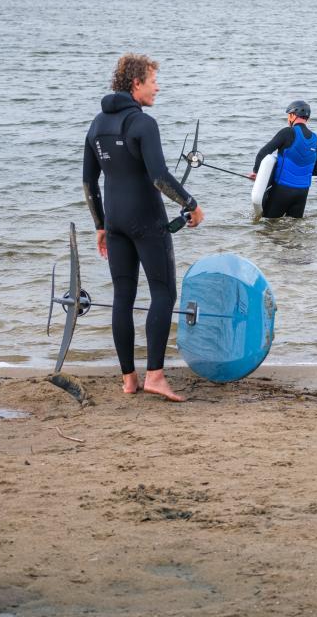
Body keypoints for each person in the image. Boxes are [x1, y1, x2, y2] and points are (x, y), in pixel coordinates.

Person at [83, 53, 204, 401]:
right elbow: (160, 177)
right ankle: (155, 376)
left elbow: (89, 182)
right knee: (163, 293)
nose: (157, 87)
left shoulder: (96, 124)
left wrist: (100, 225)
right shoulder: (143, 124)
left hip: (115, 222)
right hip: (146, 220)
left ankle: (128, 379)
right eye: (153, 81)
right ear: (136, 84)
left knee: (123, 296)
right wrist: (191, 205)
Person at [249, 100, 317, 218]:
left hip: (282, 191)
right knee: (293, 226)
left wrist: (256, 172)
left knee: (268, 224)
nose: (288, 119)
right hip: (302, 193)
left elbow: (263, 152)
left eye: (289, 115)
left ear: (293, 115)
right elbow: (316, 171)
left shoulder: (288, 132)